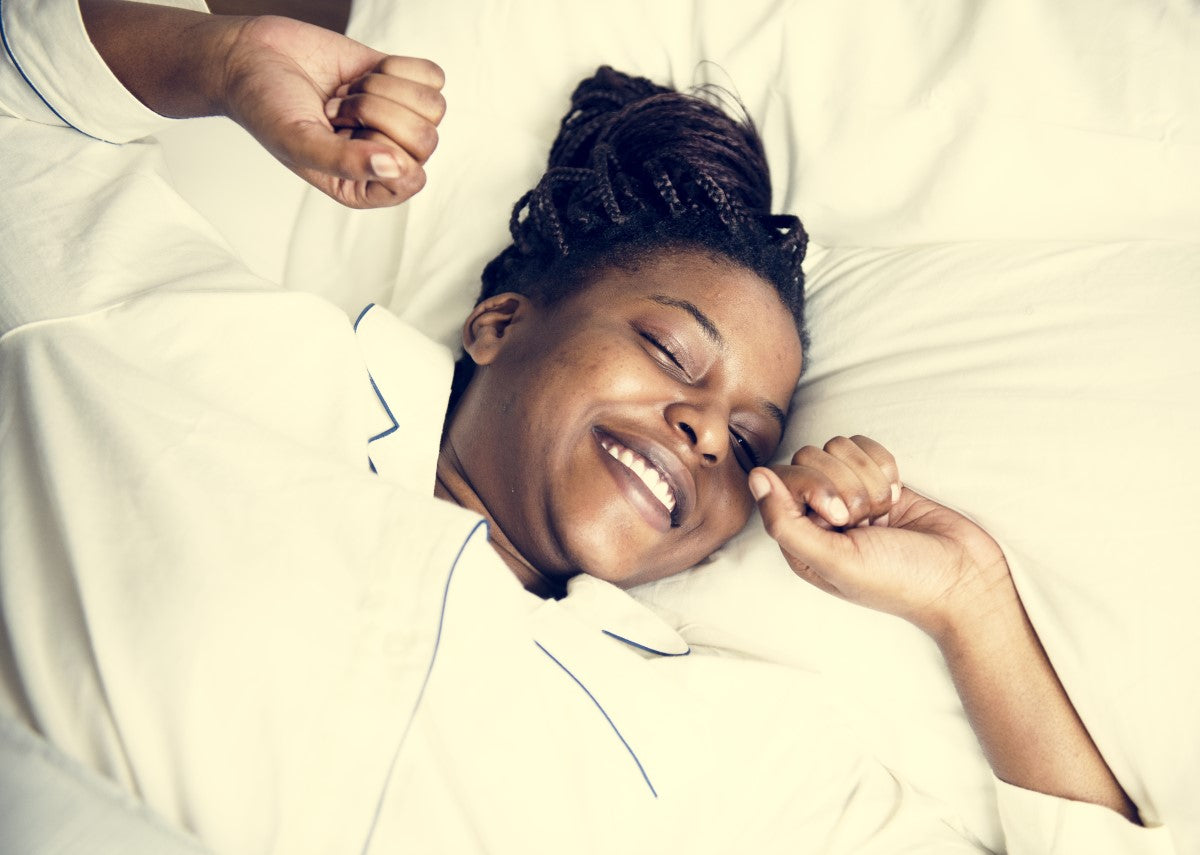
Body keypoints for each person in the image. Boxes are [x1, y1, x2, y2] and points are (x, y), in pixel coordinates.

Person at [0, 1, 1174, 853]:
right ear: (501, 323)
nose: (708, 435)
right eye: (671, 352)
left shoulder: (737, 751)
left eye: (752, 443)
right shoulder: (198, 356)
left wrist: (969, 600)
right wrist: (214, 58)